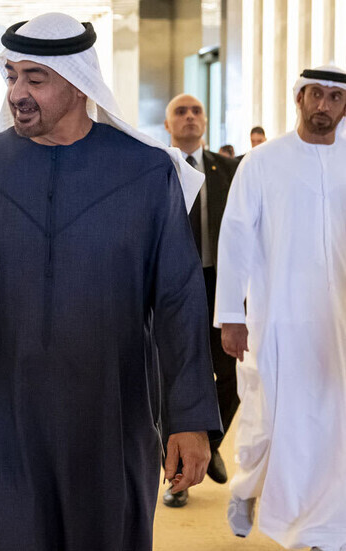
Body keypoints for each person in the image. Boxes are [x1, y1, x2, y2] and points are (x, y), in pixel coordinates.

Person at [0, 13, 221, 550]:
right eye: (11, 77)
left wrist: (188, 418)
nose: (17, 93)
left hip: (111, 420)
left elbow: (178, 302)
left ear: (78, 82)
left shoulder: (147, 173)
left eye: (35, 78)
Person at [215, 64, 346, 551]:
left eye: (335, 97)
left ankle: (324, 528)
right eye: (316, 95)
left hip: (338, 321)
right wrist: (231, 315)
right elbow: (234, 239)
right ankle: (247, 488)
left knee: (332, 425)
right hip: (277, 317)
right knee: (268, 420)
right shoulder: (262, 162)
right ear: (299, 99)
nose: (323, 106)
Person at [161, 94, 240, 507]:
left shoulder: (229, 170)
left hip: (219, 286)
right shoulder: (156, 167)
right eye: (181, 111)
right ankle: (178, 479)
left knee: (232, 374)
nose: (189, 117)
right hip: (170, 289)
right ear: (167, 124)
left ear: (205, 121)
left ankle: (211, 441)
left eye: (196, 111)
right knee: (174, 377)